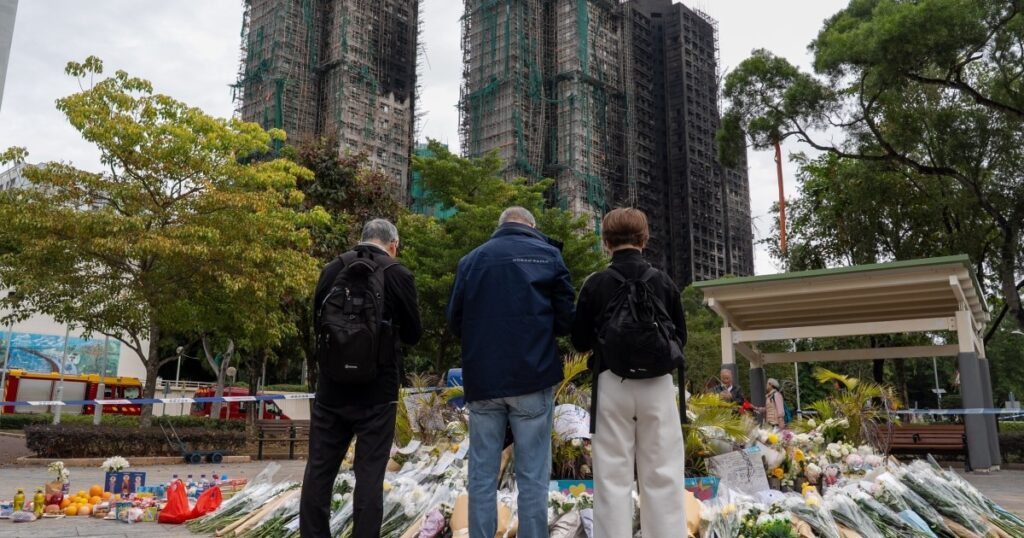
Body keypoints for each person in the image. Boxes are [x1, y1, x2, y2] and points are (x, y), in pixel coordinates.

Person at [447, 207, 575, 538]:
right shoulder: (548, 256)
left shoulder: (470, 261)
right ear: (531, 226)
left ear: (500, 224)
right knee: (533, 474)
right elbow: (566, 320)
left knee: (482, 473)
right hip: (532, 376)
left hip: (484, 379)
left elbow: (455, 323)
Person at [300, 219, 422, 538]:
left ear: (363, 238)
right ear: (392, 245)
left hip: (331, 391)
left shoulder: (331, 269)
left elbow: (318, 322)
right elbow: (413, 334)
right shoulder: (398, 274)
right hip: (377, 394)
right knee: (369, 474)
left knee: (319, 471)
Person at [570, 208, 687, 538]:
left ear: (605, 242)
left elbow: (578, 341)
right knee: (663, 473)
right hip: (659, 386)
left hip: (611, 382)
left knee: (611, 477)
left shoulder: (595, 283)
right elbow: (680, 337)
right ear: (644, 238)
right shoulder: (663, 281)